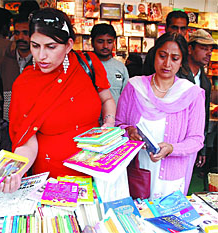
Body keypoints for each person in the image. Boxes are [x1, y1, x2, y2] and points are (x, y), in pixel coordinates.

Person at [0, 8, 116, 193]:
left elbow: (107, 98)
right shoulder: (24, 84)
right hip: (52, 179)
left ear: (69, 45)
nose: (41, 56)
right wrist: (17, 172)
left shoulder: (87, 64)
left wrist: (109, 124)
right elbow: (27, 140)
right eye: (35, 46)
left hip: (96, 170)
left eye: (51, 47)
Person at [116, 32, 205, 199]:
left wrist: (172, 148)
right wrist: (129, 131)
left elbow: (196, 139)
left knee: (166, 220)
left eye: (175, 58)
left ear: (181, 62)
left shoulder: (191, 94)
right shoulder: (134, 87)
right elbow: (118, 124)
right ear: (154, 54)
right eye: (162, 56)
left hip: (170, 177)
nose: (167, 64)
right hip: (138, 169)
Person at [177, 29, 217, 184]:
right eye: (203, 48)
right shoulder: (177, 73)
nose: (208, 53)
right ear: (190, 49)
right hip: (173, 138)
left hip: (191, 140)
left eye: (210, 49)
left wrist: (202, 147)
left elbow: (203, 117)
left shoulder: (205, 82)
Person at [0, 14, 32, 121]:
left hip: (33, 120)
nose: (20, 38)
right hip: (10, 119)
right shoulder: (6, 60)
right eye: (17, 33)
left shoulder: (42, 62)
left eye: (25, 33)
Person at [91, 24, 129, 105]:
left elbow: (125, 97)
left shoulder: (121, 68)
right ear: (92, 43)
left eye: (109, 42)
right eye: (100, 42)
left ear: (114, 43)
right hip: (90, 116)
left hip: (115, 116)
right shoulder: (85, 65)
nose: (105, 46)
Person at [143, 10, 189, 75]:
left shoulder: (188, 52)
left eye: (183, 28)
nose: (179, 32)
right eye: (174, 28)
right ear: (166, 28)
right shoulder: (155, 51)